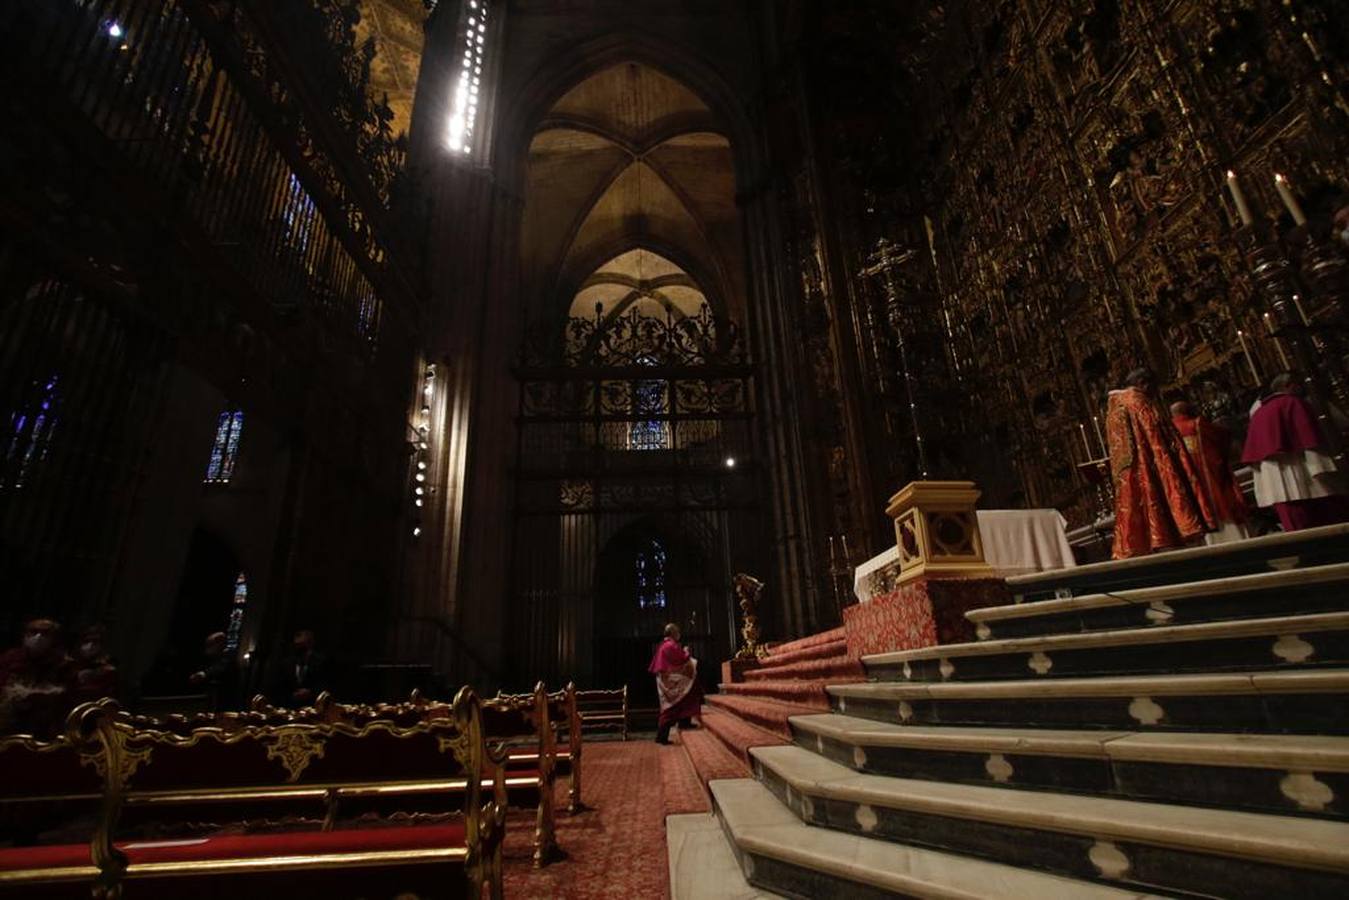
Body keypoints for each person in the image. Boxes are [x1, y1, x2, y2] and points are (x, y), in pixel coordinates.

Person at [1106, 368, 1216, 558]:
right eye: (1153, 388)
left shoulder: (1114, 406)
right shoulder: (1138, 402)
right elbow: (1157, 436)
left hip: (1130, 473)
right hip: (1151, 465)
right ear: (1143, 383)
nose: (1154, 393)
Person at [1242, 373, 1349, 531]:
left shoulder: (1258, 413)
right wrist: (1326, 471)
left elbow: (1255, 454)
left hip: (1274, 479)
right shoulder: (1293, 402)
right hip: (1304, 472)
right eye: (1298, 384)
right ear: (1289, 385)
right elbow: (1309, 439)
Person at [1170, 401, 1249, 544]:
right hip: (1211, 477)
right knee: (1221, 502)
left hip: (1188, 481)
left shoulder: (1169, 432)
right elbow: (1221, 438)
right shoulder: (1198, 424)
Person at [0, 617, 73, 736]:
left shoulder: (63, 664)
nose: (38, 637)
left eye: (45, 634)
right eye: (33, 632)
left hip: (41, 727)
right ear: (25, 635)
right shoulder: (10, 658)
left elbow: (67, 696)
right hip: (8, 722)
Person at [647, 623, 701, 745]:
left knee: (685, 694)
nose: (679, 634)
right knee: (672, 705)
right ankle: (662, 736)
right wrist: (686, 651)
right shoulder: (670, 645)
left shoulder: (665, 645)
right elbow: (682, 659)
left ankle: (684, 721)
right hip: (670, 681)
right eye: (677, 632)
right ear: (672, 633)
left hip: (668, 679)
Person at [270, 629, 332, 707]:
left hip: (312, 708)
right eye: (296, 645)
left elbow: (326, 685)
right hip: (288, 707)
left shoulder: (321, 662)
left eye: (302, 645)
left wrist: (310, 692)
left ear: (310, 644)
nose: (298, 649)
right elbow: (277, 687)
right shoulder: (286, 663)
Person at [189, 631, 239, 712]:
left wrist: (203, 674)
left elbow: (219, 668)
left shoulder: (228, 656)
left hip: (224, 701)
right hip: (213, 698)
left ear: (219, 644)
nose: (208, 648)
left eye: (210, 645)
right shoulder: (215, 657)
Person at [70, 625, 119, 704]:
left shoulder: (108, 671)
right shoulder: (70, 665)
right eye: (86, 641)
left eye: (95, 642)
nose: (90, 646)